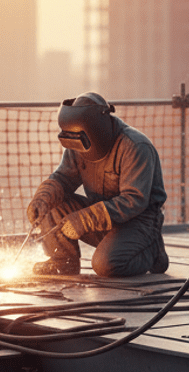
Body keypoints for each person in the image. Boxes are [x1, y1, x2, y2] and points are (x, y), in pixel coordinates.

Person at [26, 93, 169, 278]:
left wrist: (85, 220)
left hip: (140, 223)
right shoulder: (78, 140)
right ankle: (63, 262)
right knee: (54, 201)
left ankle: (153, 251)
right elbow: (62, 179)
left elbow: (133, 200)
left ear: (96, 129)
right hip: (104, 219)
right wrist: (42, 199)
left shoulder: (136, 146)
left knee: (105, 265)